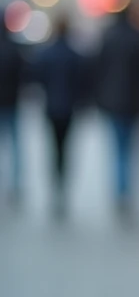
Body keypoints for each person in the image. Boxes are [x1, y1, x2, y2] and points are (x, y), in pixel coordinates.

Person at [93, 4, 139, 214]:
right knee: (130, 148)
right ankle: (126, 191)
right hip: (134, 103)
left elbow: (98, 70)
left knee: (117, 148)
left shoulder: (108, 38)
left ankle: (120, 191)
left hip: (113, 102)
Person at [31, 15, 90, 214]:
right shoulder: (75, 55)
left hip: (51, 108)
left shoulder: (46, 54)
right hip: (69, 109)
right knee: (66, 148)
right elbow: (84, 83)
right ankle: (62, 184)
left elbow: (36, 78)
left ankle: (56, 184)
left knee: (53, 148)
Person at [0, 11, 25, 205]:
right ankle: (15, 185)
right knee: (15, 146)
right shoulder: (14, 48)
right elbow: (23, 75)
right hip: (12, 103)